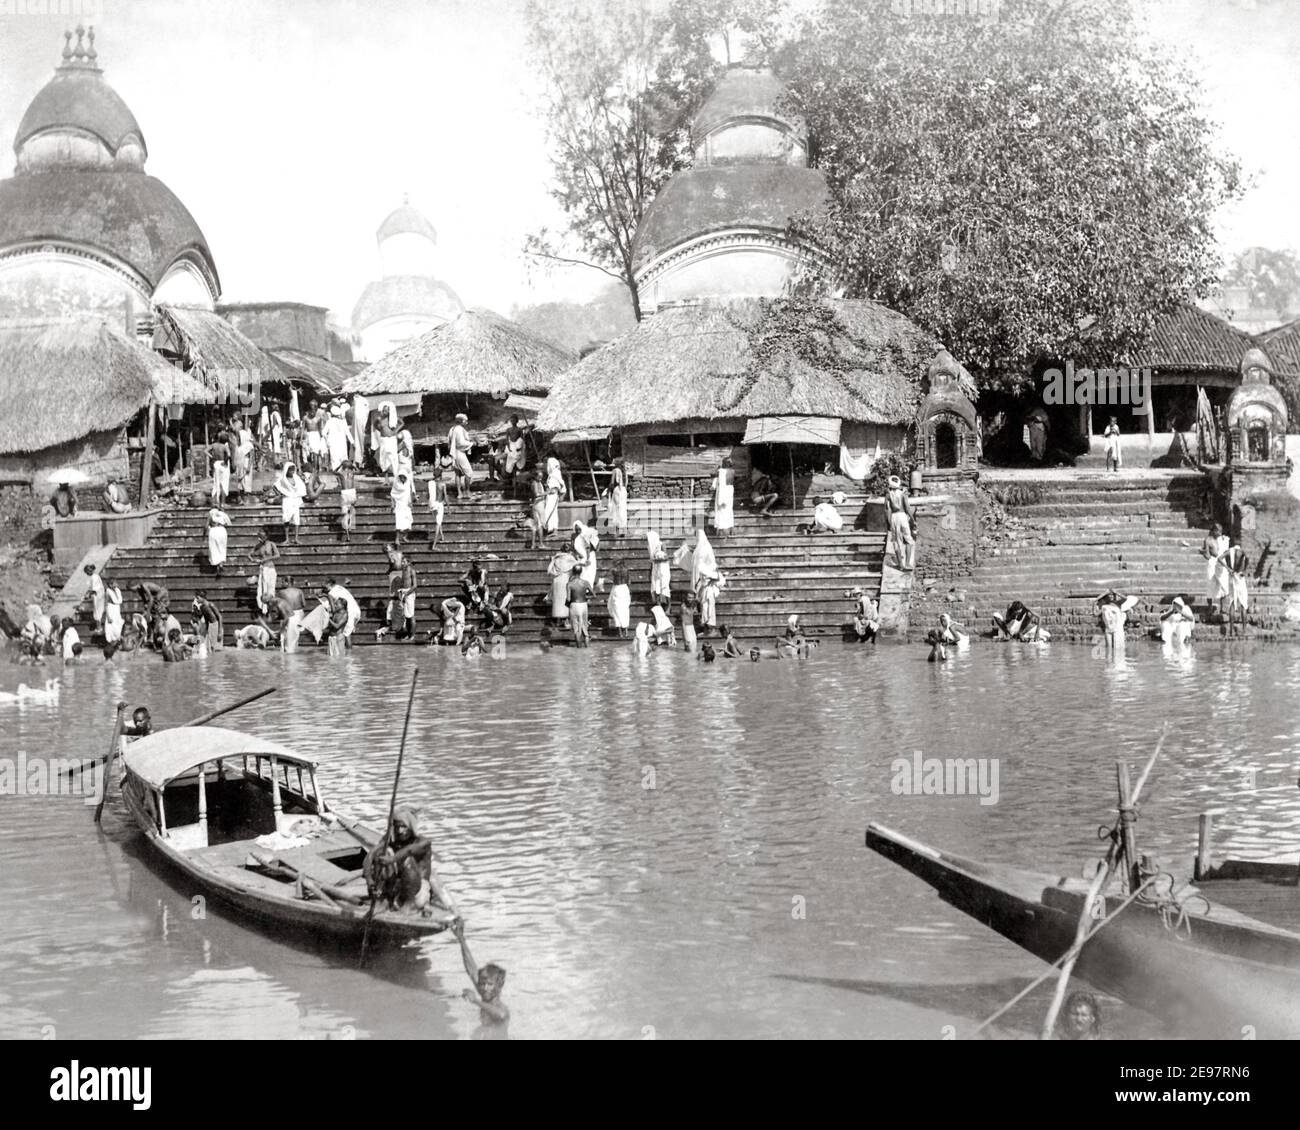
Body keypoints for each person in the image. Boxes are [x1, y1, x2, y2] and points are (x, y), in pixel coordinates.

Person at [364, 809, 452, 916]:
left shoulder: (424, 842)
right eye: (397, 827)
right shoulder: (390, 839)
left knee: (408, 860)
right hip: (397, 886)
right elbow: (371, 855)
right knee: (383, 853)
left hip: (417, 891)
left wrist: (392, 859)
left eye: (403, 827)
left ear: (411, 827)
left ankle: (409, 905)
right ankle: (382, 900)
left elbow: (409, 850)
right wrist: (369, 880)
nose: (400, 831)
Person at [452, 919, 509, 1025]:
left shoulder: (500, 1007)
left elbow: (502, 1015)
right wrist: (461, 938)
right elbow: (471, 968)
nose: (485, 988)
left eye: (490, 984)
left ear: (499, 986)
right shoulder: (485, 994)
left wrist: (475, 1001)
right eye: (482, 984)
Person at [692, 528, 723, 636]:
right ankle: (706, 629)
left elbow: (717, 575)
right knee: (705, 608)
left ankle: (711, 629)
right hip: (704, 587)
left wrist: (711, 577)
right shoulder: (699, 552)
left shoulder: (706, 550)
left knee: (709, 609)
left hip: (708, 588)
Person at [1219, 541, 1249, 636]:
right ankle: (1244, 630)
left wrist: (1228, 569)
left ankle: (1231, 630)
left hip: (1231, 577)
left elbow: (1219, 559)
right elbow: (1248, 558)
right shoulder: (1241, 551)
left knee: (1232, 602)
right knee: (1243, 604)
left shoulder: (1228, 551)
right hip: (1240, 577)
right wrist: (1244, 570)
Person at [884, 476, 914, 570]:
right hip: (902, 516)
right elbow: (908, 508)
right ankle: (908, 563)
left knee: (897, 542)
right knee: (908, 540)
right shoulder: (903, 494)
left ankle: (900, 565)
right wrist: (913, 520)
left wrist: (888, 523)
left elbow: (886, 510)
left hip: (894, 517)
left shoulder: (888, 495)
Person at [274, 463, 307, 544]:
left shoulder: (296, 478)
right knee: (286, 519)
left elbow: (302, 486)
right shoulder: (283, 478)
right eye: (290, 469)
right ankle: (287, 539)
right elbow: (275, 486)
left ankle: (296, 538)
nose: (292, 471)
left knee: (296, 519)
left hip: (295, 500)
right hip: (287, 500)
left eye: (293, 469)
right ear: (286, 470)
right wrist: (280, 494)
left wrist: (300, 494)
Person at [1202, 522, 1230, 618]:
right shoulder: (1207, 540)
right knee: (1210, 584)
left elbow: (1226, 551)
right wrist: (1204, 553)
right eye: (1219, 531)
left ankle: (1223, 608)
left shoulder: (1222, 540)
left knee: (1224, 585)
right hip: (1212, 562)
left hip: (1221, 562)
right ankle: (1210, 607)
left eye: (1221, 531)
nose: (1220, 533)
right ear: (1214, 531)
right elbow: (1207, 555)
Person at [248, 532, 280, 615]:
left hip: (270, 567)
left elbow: (277, 555)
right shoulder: (258, 546)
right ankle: (264, 608)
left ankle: (270, 607)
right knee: (263, 588)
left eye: (261, 537)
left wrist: (265, 559)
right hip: (263, 568)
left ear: (266, 537)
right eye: (259, 537)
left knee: (271, 587)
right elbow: (249, 554)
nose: (260, 539)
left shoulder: (271, 544)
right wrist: (252, 559)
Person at [547, 543, 578, 626]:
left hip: (557, 579)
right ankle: (566, 620)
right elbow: (576, 566)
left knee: (557, 599)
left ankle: (557, 620)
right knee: (566, 599)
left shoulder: (556, 558)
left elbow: (550, 569)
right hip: (565, 579)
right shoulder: (570, 558)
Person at [448, 412, 474, 500]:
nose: (467, 422)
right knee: (469, 473)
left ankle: (459, 493)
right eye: (465, 421)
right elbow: (461, 443)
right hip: (459, 452)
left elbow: (449, 442)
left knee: (458, 473)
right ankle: (467, 491)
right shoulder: (459, 429)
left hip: (455, 453)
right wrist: (471, 443)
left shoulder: (452, 429)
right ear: (461, 421)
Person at [566, 565, 594, 646]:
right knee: (584, 626)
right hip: (584, 605)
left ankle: (578, 650)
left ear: (573, 572)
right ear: (581, 572)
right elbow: (594, 595)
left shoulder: (569, 584)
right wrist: (585, 597)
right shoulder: (586, 583)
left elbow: (568, 599)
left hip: (574, 605)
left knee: (576, 627)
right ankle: (587, 647)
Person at [605, 560, 631, 638]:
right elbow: (629, 581)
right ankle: (626, 632)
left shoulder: (614, 570)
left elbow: (605, 574)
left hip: (617, 589)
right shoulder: (626, 570)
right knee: (625, 610)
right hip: (625, 588)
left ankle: (620, 633)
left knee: (617, 610)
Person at [646, 529, 672, 604]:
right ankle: (659, 606)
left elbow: (667, 557)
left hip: (663, 569)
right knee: (655, 587)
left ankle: (668, 607)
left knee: (665, 587)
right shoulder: (650, 547)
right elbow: (652, 560)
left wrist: (656, 560)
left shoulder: (661, 544)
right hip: (655, 569)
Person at [504, 415, 529, 488]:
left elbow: (521, 439)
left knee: (519, 460)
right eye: (511, 420)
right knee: (510, 462)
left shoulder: (519, 429)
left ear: (517, 421)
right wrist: (509, 448)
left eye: (514, 420)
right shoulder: (508, 430)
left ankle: (519, 479)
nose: (512, 421)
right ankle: (511, 478)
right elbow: (507, 439)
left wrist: (519, 447)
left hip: (518, 446)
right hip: (511, 446)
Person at [573, 519, 600, 587]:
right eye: (576, 529)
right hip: (585, 556)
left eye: (579, 529)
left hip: (588, 557)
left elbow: (587, 547)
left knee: (588, 573)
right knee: (585, 574)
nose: (578, 531)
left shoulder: (584, 535)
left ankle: (587, 588)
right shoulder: (578, 536)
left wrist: (587, 559)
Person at [712, 458, 735, 537]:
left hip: (724, 492)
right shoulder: (732, 471)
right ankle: (730, 531)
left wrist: (721, 499)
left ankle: (722, 533)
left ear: (724, 463)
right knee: (729, 511)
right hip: (730, 492)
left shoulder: (721, 472)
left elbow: (722, 485)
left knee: (721, 511)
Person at [391, 470, 414, 547]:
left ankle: (404, 536)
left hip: (406, 504)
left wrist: (410, 502)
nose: (402, 479)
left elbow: (409, 492)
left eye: (403, 477)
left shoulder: (408, 483)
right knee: (399, 523)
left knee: (409, 521)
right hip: (399, 505)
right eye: (401, 477)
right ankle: (396, 539)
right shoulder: (396, 484)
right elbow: (392, 494)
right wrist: (392, 505)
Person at [323, 407, 351, 472]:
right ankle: (344, 477)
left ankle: (338, 477)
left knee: (335, 461)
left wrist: (327, 441)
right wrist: (352, 442)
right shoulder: (343, 422)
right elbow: (348, 433)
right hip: (342, 444)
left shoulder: (329, 422)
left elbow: (324, 433)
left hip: (333, 444)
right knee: (344, 461)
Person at [301, 399, 325, 472]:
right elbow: (302, 428)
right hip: (308, 435)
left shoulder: (319, 418)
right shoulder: (305, 418)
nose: (313, 412)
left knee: (316, 452)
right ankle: (310, 467)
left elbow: (320, 428)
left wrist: (322, 437)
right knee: (308, 453)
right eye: (311, 409)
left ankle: (316, 467)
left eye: (314, 409)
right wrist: (301, 439)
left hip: (316, 435)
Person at [336, 460, 357, 542]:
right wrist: (354, 466)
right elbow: (358, 471)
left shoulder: (341, 474)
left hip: (345, 493)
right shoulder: (352, 473)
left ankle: (348, 534)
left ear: (343, 467)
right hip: (352, 492)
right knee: (351, 511)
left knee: (346, 514)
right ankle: (350, 524)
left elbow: (334, 471)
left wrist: (339, 465)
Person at [606, 458, 628, 537]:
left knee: (616, 510)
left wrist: (608, 491)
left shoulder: (615, 470)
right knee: (622, 510)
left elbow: (612, 483)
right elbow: (626, 483)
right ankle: (623, 531)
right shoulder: (625, 471)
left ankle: (617, 532)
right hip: (624, 491)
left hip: (617, 491)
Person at [83, 563, 106, 637]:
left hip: (97, 596)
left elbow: (94, 589)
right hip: (98, 596)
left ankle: (99, 628)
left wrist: (88, 595)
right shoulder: (94, 576)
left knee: (97, 611)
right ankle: (98, 627)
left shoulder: (94, 577)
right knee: (97, 611)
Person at [528, 467, 550, 547]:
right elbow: (536, 494)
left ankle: (533, 545)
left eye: (541, 476)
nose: (541, 478)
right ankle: (540, 544)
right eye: (539, 477)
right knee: (540, 524)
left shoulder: (539, 483)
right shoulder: (534, 483)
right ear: (535, 476)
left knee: (536, 525)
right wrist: (547, 493)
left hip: (539, 504)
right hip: (537, 505)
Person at [207, 504, 231, 575]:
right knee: (222, 548)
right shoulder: (223, 514)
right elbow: (228, 524)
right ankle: (221, 565)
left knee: (213, 548)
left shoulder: (211, 513)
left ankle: (215, 564)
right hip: (222, 530)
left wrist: (204, 534)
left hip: (213, 530)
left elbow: (206, 524)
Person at [544, 452, 565, 529]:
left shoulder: (555, 474)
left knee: (550, 511)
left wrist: (562, 494)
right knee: (551, 512)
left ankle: (552, 528)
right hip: (550, 495)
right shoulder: (553, 474)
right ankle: (552, 529)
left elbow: (561, 485)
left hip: (553, 495)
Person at [427, 468, 448, 548]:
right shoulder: (442, 484)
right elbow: (445, 497)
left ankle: (442, 536)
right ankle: (433, 545)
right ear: (441, 475)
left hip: (432, 504)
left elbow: (428, 495)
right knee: (438, 523)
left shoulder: (430, 483)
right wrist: (449, 507)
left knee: (438, 520)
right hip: (439, 504)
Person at [210, 435, 231, 508]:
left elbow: (205, 451)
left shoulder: (214, 445)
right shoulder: (225, 447)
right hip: (223, 464)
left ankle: (214, 502)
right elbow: (229, 455)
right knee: (224, 484)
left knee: (216, 483)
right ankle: (223, 503)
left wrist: (211, 457)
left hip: (216, 463)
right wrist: (225, 462)